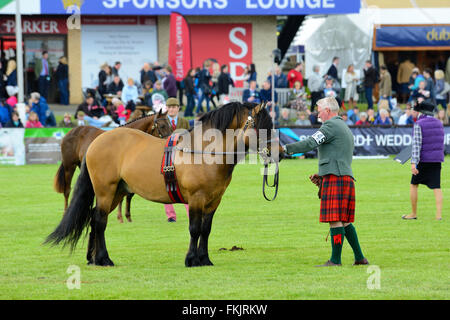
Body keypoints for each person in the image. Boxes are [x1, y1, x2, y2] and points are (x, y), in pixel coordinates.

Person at [282, 97, 368, 267]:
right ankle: (360, 258)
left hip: (336, 177)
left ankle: (335, 260)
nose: (317, 113)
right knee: (345, 220)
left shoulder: (329, 126)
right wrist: (322, 175)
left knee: (335, 219)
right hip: (343, 176)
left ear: (328, 110)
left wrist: (285, 149)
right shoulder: (343, 126)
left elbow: (311, 143)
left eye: (319, 109)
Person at [402, 101, 444, 221]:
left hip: (424, 160)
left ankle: (413, 213)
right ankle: (438, 215)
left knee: (414, 185)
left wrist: (413, 163)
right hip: (437, 160)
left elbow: (416, 145)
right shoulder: (439, 123)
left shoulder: (419, 124)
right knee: (437, 187)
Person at [164, 97, 190, 222]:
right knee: (168, 182)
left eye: (174, 107)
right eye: (169, 107)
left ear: (178, 108)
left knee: (187, 185)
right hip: (166, 155)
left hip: (181, 155)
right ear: (166, 108)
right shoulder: (161, 121)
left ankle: (190, 212)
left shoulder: (184, 122)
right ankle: (170, 215)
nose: (171, 109)